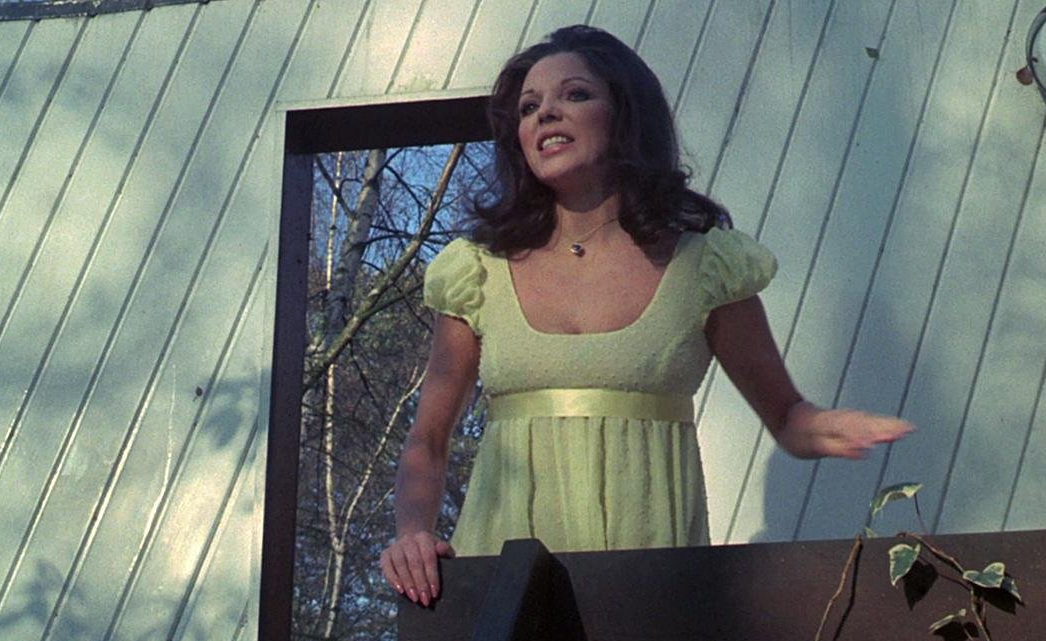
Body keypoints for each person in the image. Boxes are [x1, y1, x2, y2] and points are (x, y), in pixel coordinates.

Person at [379, 25, 913, 608]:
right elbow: (428, 440)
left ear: (625, 116)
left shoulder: (706, 266)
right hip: (505, 587)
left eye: (575, 94)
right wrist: (412, 534)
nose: (545, 113)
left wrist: (835, 426)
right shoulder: (476, 271)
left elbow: (788, 417)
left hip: (653, 590)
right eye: (529, 107)